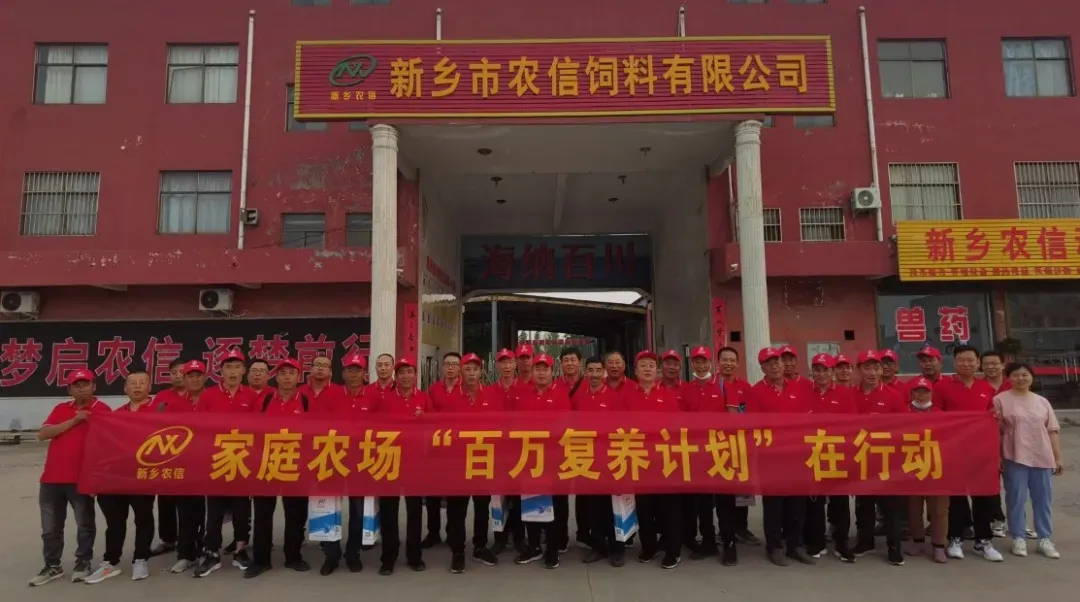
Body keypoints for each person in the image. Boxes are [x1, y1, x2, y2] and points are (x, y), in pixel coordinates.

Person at [29, 369, 111, 587]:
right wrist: (75, 420)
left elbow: (109, 446)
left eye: (86, 384)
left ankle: (83, 563)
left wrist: (98, 479)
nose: (81, 389)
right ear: (70, 389)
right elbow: (43, 434)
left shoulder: (103, 410)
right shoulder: (61, 409)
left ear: (94, 386)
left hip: (81, 479)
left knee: (84, 524)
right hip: (51, 479)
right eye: (77, 385)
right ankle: (52, 565)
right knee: (50, 528)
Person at [85, 370, 157, 584]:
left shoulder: (160, 412)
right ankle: (111, 562)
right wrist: (96, 478)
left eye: (142, 382)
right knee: (115, 521)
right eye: (133, 383)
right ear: (125, 388)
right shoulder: (115, 415)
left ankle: (140, 559)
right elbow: (102, 447)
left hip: (143, 476)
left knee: (143, 519)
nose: (137, 386)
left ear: (149, 387)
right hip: (116, 477)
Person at [743, 348, 814, 567]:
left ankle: (795, 545)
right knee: (774, 505)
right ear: (762, 368)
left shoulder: (797, 388)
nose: (774, 366)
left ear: (783, 365)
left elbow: (808, 419)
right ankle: (774, 547)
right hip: (771, 457)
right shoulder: (756, 391)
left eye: (777, 362)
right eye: (769, 363)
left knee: (797, 505)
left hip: (797, 455)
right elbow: (753, 425)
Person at [245, 358, 312, 579]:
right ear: (276, 377)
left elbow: (315, 432)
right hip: (267, 463)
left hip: (296, 465)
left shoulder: (305, 401)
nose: (287, 377)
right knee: (263, 514)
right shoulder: (264, 400)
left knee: (296, 515)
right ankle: (261, 560)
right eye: (283, 373)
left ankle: (293, 557)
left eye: (291, 373)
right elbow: (252, 430)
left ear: (298, 377)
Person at [934, 344, 1002, 562]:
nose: (966, 364)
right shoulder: (943, 386)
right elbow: (935, 414)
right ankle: (955, 538)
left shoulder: (985, 387)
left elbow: (992, 415)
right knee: (956, 496)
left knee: (984, 496)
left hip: (981, 451)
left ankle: (984, 540)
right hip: (953, 450)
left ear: (978, 362)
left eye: (971, 360)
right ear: (954, 362)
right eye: (961, 360)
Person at [194, 349, 257, 577]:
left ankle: (240, 550)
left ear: (243, 371)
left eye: (237, 367)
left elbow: (259, 429)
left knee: (242, 510)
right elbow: (198, 427)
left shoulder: (251, 396)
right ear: (220, 371)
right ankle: (212, 552)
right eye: (228, 367)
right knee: (214, 511)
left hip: (242, 461)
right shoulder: (209, 396)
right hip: (216, 461)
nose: (233, 372)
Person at [439, 353, 502, 573]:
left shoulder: (492, 394)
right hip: (458, 462)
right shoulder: (451, 397)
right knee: (457, 509)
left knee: (482, 506)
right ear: (461, 371)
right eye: (467, 369)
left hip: (484, 459)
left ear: (481, 371)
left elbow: (500, 425)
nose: (472, 373)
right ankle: (458, 551)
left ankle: (480, 546)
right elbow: (443, 428)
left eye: (475, 369)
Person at [994, 363, 1063, 560]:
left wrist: (1057, 457)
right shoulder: (1000, 400)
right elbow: (996, 431)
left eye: (1025, 375)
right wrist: (998, 456)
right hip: (1014, 455)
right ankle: (1018, 537)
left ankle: (1045, 538)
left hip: (1041, 455)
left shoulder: (1042, 401)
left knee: (1043, 499)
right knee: (1016, 498)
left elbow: (1052, 430)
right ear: (1008, 378)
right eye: (1016, 375)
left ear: (1031, 377)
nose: (1021, 378)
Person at [681, 345, 740, 566]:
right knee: (703, 503)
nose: (701, 365)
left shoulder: (724, 385)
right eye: (697, 361)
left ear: (711, 363)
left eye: (704, 361)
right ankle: (708, 542)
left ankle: (729, 543)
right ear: (692, 363)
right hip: (698, 454)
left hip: (721, 452)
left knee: (726, 502)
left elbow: (733, 420)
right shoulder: (687, 389)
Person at [624, 350, 684, 569]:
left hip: (664, 459)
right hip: (640, 459)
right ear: (636, 371)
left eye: (651, 365)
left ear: (656, 371)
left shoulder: (667, 394)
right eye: (643, 365)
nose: (648, 369)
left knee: (669, 508)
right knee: (644, 508)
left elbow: (676, 426)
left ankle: (673, 551)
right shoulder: (628, 395)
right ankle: (649, 547)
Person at [513, 353, 572, 569]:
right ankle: (534, 546)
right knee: (531, 502)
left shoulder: (560, 395)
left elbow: (564, 424)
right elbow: (518, 424)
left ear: (551, 372)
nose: (541, 373)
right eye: (537, 369)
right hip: (529, 457)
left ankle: (552, 550)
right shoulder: (524, 395)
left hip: (554, 458)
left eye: (545, 369)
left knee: (554, 505)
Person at [320, 352, 376, 575]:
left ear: (364, 373)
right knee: (329, 510)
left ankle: (353, 554)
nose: (353, 374)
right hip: (333, 459)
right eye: (349, 370)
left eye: (358, 370)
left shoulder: (374, 397)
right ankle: (331, 555)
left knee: (358, 511)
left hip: (362, 463)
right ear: (342, 373)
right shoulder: (330, 395)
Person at [375, 357, 431, 575]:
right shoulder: (386, 400)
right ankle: (388, 558)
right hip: (390, 460)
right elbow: (376, 428)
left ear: (415, 375)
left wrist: (425, 418)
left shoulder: (423, 398)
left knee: (415, 511)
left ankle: (414, 556)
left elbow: (437, 426)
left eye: (410, 372)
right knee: (388, 511)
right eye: (402, 373)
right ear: (395, 377)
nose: (406, 376)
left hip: (415, 462)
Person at [851, 350, 906, 566]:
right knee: (863, 504)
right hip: (861, 458)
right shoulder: (850, 395)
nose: (872, 372)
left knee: (890, 506)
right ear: (859, 370)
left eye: (876, 368)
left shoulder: (893, 396)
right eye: (867, 368)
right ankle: (865, 541)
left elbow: (904, 426)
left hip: (886, 459)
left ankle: (894, 546)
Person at [573, 355, 626, 567]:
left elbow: (621, 428)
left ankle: (617, 549)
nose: (594, 374)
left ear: (603, 372)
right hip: (588, 460)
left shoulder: (614, 397)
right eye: (590, 370)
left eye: (598, 370)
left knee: (612, 507)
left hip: (610, 459)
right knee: (593, 507)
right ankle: (598, 547)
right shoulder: (579, 397)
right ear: (585, 372)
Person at [803, 354, 857, 563]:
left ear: (832, 372)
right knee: (815, 502)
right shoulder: (805, 393)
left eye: (825, 370)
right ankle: (816, 542)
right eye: (817, 370)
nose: (821, 374)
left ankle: (842, 543)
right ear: (812, 372)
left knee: (840, 502)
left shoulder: (844, 394)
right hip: (813, 454)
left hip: (837, 454)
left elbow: (852, 424)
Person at [163, 360, 210, 574]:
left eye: (198, 375)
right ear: (185, 378)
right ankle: (185, 555)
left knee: (208, 513)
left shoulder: (213, 399)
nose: (195, 379)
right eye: (190, 375)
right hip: (185, 465)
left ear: (205, 377)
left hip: (212, 463)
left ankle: (205, 550)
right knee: (186, 512)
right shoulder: (175, 404)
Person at [712, 347, 760, 547]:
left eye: (732, 360)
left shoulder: (745, 387)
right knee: (723, 492)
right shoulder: (712, 385)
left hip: (741, 445)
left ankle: (742, 527)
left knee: (743, 490)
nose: (728, 363)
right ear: (718, 362)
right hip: (718, 446)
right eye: (725, 360)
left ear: (737, 363)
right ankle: (725, 530)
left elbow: (752, 414)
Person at [904, 377, 949, 564]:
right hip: (911, 466)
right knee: (913, 508)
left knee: (939, 509)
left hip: (936, 467)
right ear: (911, 393)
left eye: (925, 392)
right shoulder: (903, 412)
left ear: (931, 393)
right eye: (917, 391)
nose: (921, 396)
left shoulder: (940, 414)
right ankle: (918, 540)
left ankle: (939, 545)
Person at [425, 352, 464, 549]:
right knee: (432, 492)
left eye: (454, 364)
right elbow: (429, 415)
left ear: (460, 368)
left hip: (458, 449)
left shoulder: (466, 390)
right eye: (447, 364)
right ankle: (433, 532)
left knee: (454, 494)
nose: (450, 368)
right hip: (437, 447)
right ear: (442, 367)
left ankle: (452, 532)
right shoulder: (434, 389)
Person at [489, 348, 526, 556]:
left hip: (520, 451)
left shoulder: (526, 389)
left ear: (515, 365)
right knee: (498, 499)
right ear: (498, 366)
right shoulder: (490, 391)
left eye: (510, 362)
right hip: (497, 452)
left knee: (518, 498)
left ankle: (519, 539)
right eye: (502, 362)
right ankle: (499, 538)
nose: (507, 366)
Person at [149, 358, 187, 557]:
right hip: (166, 456)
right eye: (174, 372)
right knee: (165, 501)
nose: (178, 376)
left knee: (189, 502)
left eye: (182, 372)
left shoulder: (198, 395)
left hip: (190, 455)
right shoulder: (162, 396)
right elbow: (150, 422)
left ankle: (190, 540)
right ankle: (168, 539)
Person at [555, 347, 588, 549]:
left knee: (585, 491)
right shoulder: (554, 386)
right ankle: (560, 537)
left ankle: (584, 533)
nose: (569, 363)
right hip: (559, 446)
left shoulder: (589, 384)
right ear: (561, 364)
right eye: (566, 360)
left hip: (584, 445)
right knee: (560, 493)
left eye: (573, 360)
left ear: (580, 362)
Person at [981, 350, 1012, 538]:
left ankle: (1017, 521)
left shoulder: (1012, 384)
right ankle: (997, 518)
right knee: (991, 484)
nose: (991, 367)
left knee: (1014, 485)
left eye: (994, 363)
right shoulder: (978, 386)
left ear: (1002, 365)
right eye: (986, 364)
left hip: (1013, 440)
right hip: (987, 443)